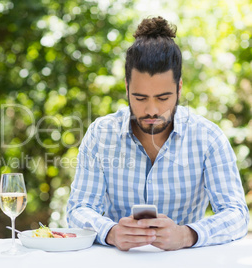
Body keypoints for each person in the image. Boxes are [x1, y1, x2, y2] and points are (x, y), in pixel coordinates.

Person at [66, 16, 249, 251]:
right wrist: (110, 232)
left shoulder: (208, 138)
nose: (151, 110)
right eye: (140, 98)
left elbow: (237, 215)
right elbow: (78, 209)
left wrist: (187, 235)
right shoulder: (101, 135)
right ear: (127, 87)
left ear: (179, 88)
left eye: (163, 98)